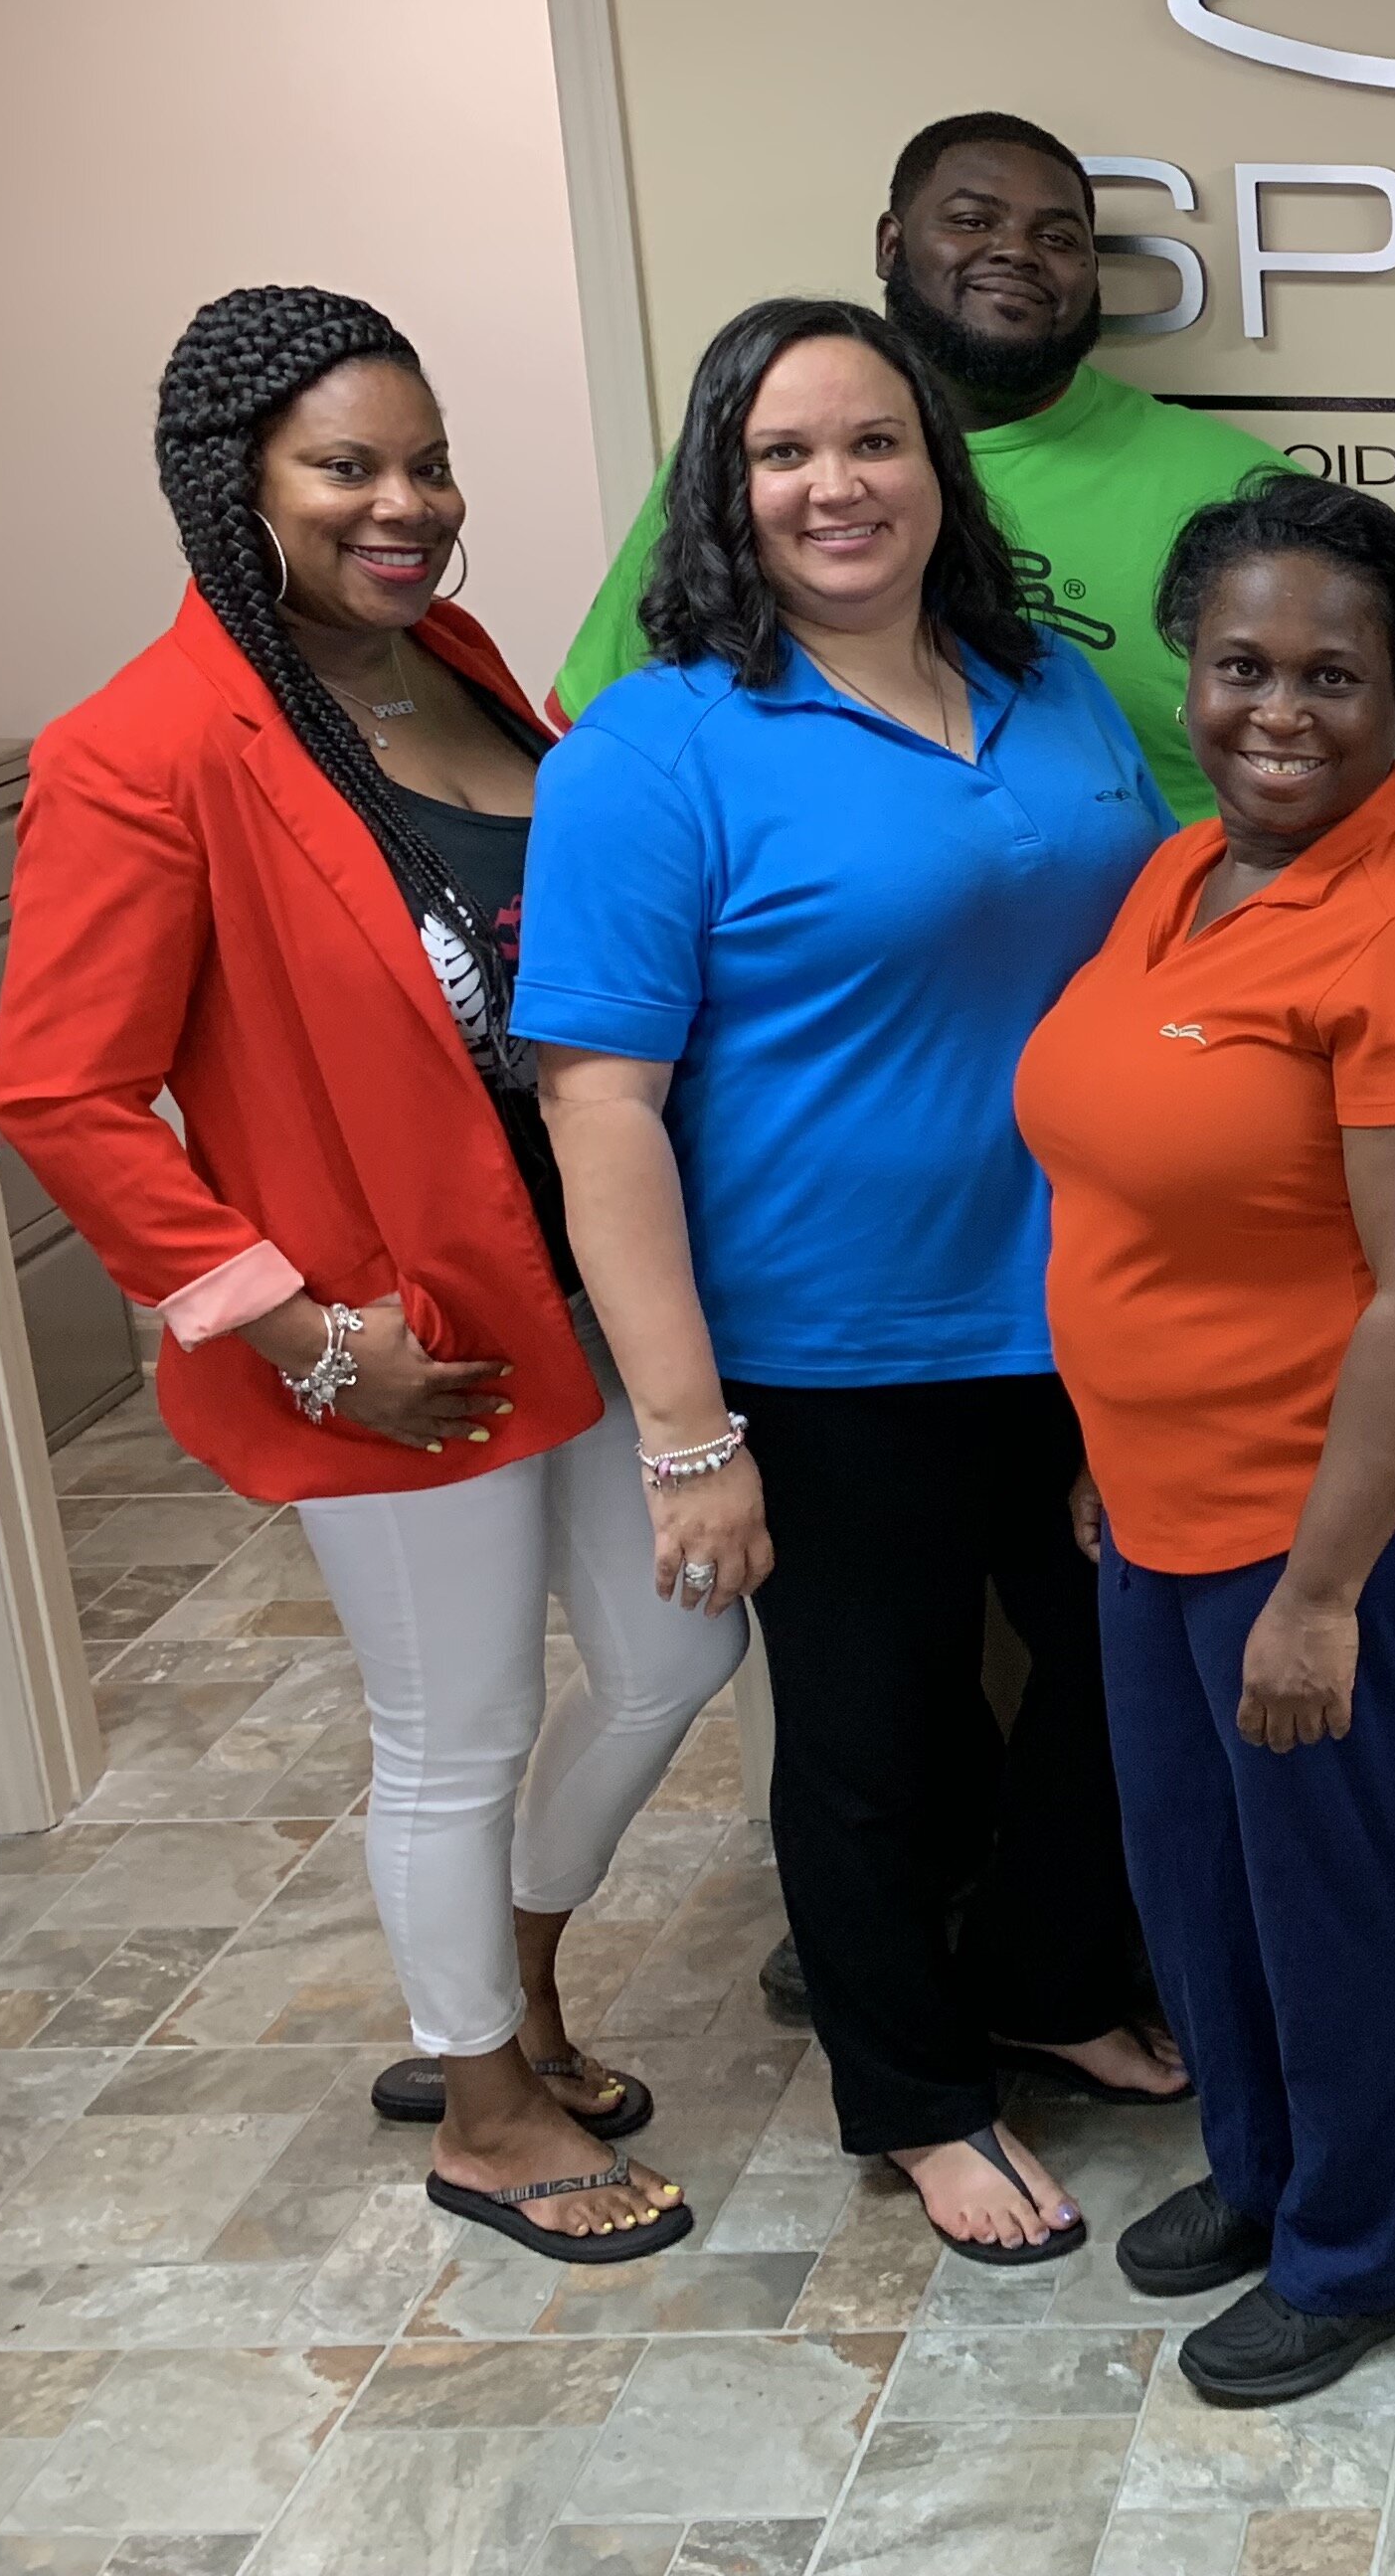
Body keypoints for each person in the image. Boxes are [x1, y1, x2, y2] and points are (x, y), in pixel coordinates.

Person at [0, 285, 737, 2262]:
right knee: (458, 1729)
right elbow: (62, 1091)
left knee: (679, 1652)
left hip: (577, 1286)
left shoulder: (462, 665)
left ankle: (506, 1976)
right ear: (231, 488)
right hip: (398, 1343)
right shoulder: (141, 751)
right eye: (347, 467)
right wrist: (299, 1330)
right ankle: (484, 2106)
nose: (403, 506)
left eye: (426, 464)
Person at [519, 296, 1183, 2267]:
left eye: (873, 441)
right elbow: (601, 1113)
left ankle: (1048, 1981)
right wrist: (684, 1432)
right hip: (828, 1352)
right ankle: (911, 2092)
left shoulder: (1046, 687)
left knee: (1117, 1682)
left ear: (936, 466)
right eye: (783, 452)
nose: (836, 485)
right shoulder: (660, 748)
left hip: (1078, 1316)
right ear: (724, 492)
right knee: (877, 1739)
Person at [1016, 472, 1395, 2406]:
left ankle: (1379, 2239)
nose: (1280, 711)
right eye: (1243, 665)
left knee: (1335, 1891)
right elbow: (1128, 1199)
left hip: (1342, 1522)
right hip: (1157, 1496)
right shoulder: (1178, 876)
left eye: (1335, 675)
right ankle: (1268, 2171)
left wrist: (1320, 1592)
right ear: (1191, 668)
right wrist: (1105, 1432)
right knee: (1194, 1878)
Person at [547, 109, 1395, 825]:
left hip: (1162, 990)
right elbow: (592, 734)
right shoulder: (759, 476)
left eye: (1059, 235)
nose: (1017, 252)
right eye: (972, 219)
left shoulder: (1201, 479)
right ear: (892, 245)